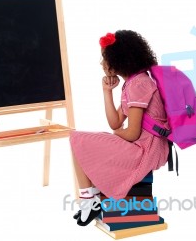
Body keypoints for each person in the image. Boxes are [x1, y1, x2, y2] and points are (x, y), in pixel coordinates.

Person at [70, 30, 169, 226]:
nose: (101, 63)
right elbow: (115, 122)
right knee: (81, 140)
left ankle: (88, 202)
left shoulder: (139, 84)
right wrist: (107, 91)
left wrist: (115, 135)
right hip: (145, 145)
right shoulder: (134, 82)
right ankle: (92, 197)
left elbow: (130, 133)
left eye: (104, 58)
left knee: (77, 139)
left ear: (118, 60)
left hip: (146, 150)